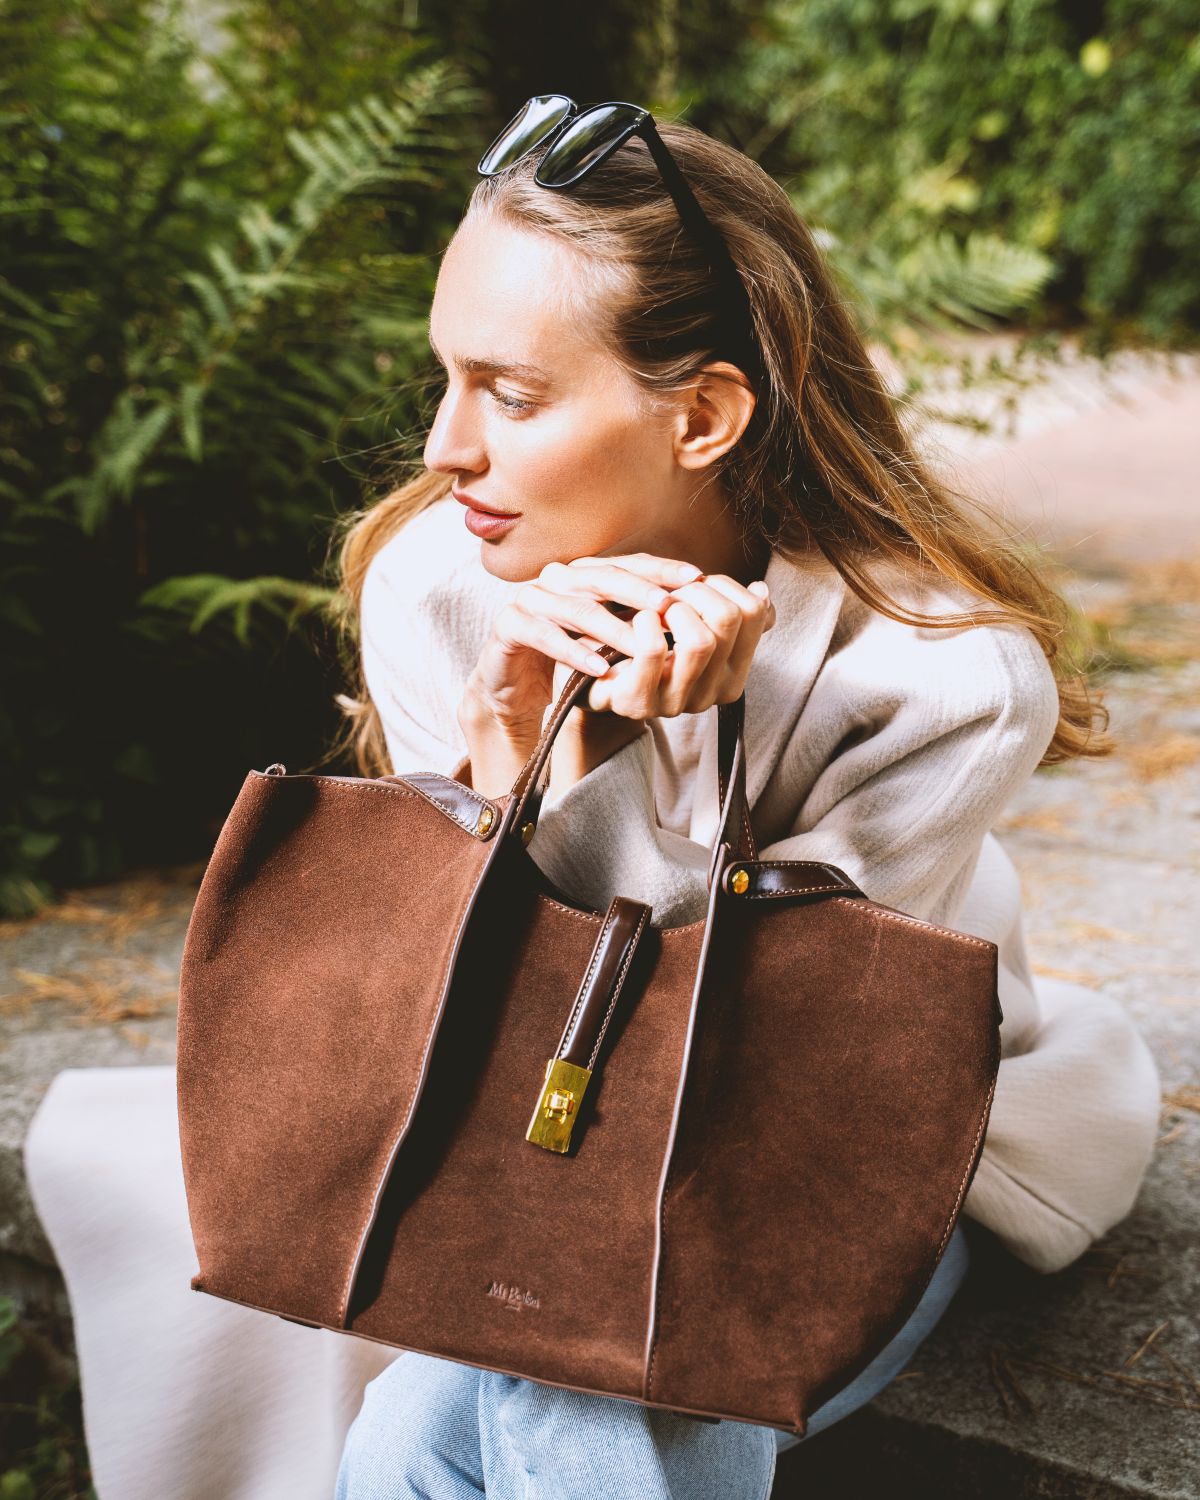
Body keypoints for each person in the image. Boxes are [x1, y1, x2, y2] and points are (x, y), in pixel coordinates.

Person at [23, 101, 1159, 1500]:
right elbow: (451, 1009)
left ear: (703, 414)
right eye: (444, 378)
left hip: (838, 1171)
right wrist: (512, 747)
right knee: (429, 1435)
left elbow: (770, 1070)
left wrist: (665, 756)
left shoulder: (940, 677)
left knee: (553, 1407)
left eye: (510, 393)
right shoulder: (442, 584)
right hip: (517, 1138)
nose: (445, 447)